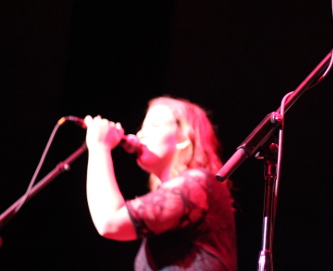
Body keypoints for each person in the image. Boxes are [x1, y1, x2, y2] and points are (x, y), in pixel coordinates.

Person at [85, 96, 237, 271]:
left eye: (154, 125)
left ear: (185, 137)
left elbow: (110, 222)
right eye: (142, 127)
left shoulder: (198, 182)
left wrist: (99, 146)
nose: (140, 134)